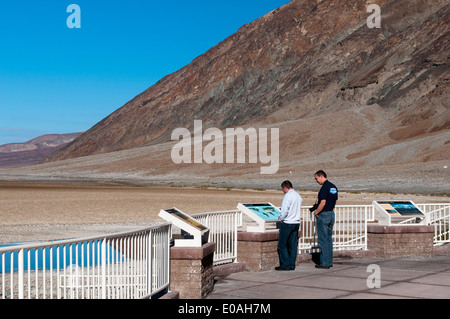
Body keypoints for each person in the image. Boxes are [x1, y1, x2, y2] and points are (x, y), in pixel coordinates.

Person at [312, 170, 338, 269]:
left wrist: (316, 212)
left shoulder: (324, 188)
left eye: (316, 178)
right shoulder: (333, 187)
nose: (316, 181)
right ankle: (329, 261)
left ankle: (324, 263)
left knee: (323, 240)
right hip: (331, 214)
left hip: (324, 215)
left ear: (321, 176)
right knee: (328, 239)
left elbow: (323, 202)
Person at [276, 180, 302, 271]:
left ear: (284, 188)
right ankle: (292, 264)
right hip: (296, 222)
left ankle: (285, 264)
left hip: (287, 223)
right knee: (293, 245)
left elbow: (284, 211)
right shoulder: (298, 195)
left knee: (282, 245)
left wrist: (281, 219)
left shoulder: (287, 196)